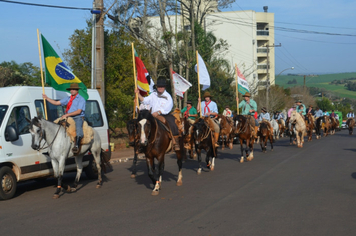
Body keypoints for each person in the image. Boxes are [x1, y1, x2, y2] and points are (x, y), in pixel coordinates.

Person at [135, 79, 180, 151]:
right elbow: (145, 100)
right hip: (152, 115)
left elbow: (168, 107)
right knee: (142, 124)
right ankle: (140, 142)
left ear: (164, 87)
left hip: (163, 114)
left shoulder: (168, 96)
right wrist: (138, 94)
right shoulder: (153, 94)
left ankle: (175, 141)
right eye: (159, 86)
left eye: (162, 86)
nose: (160, 88)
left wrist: (159, 112)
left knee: (172, 123)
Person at [42, 83, 86, 154]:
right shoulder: (68, 98)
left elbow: (79, 111)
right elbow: (57, 103)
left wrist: (67, 114)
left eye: (74, 89)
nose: (72, 91)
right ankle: (52, 147)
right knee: (55, 125)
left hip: (78, 117)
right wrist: (47, 98)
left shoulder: (81, 99)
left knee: (78, 129)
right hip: (68, 116)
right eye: (71, 89)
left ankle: (77, 146)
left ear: (77, 90)